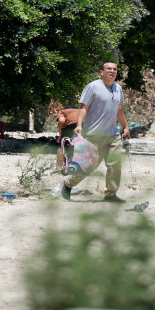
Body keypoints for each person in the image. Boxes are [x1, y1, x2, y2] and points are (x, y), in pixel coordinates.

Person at [61, 61, 130, 203]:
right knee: (89, 167)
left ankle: (111, 194)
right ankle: (68, 185)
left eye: (114, 69)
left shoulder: (118, 89)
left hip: (113, 134)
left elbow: (120, 110)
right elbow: (83, 108)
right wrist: (79, 125)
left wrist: (125, 127)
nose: (112, 71)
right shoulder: (92, 87)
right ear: (101, 72)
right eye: (108, 69)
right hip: (94, 134)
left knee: (115, 165)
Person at [55, 106, 80, 170]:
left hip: (70, 126)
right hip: (81, 126)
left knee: (62, 145)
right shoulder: (79, 111)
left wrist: (60, 135)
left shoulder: (63, 111)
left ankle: (58, 167)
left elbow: (61, 120)